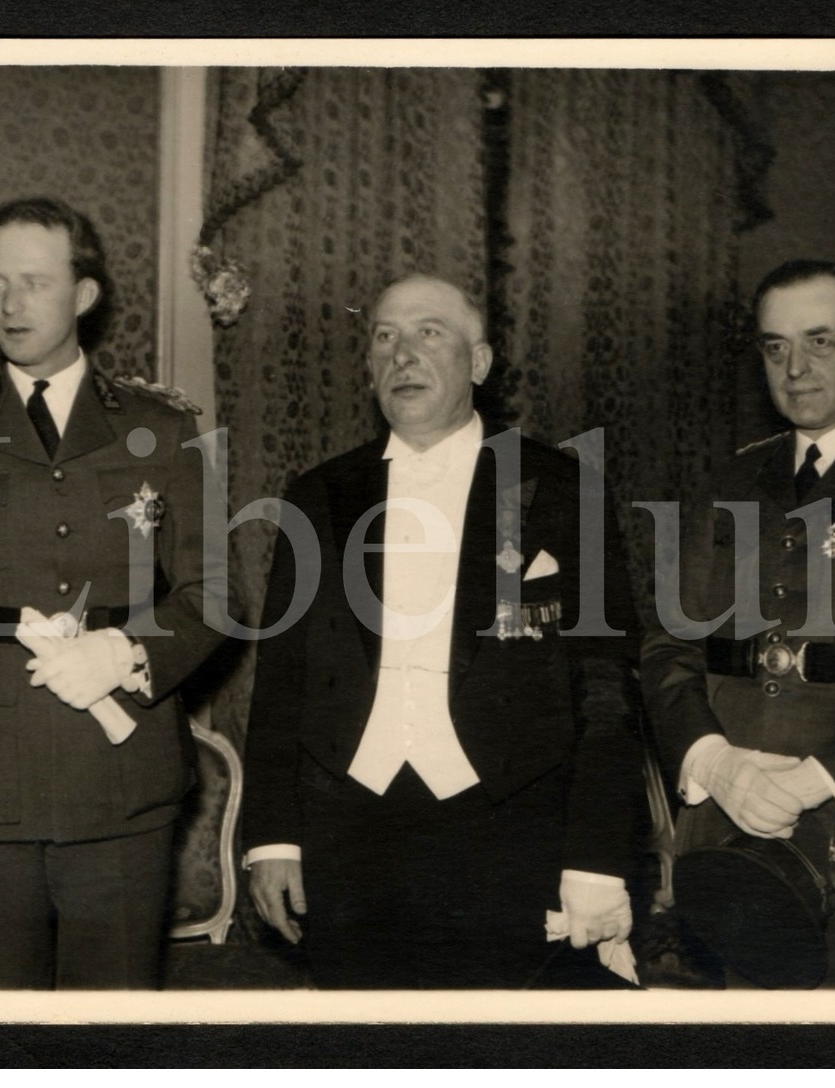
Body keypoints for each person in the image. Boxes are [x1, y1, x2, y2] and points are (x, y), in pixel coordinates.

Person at [241, 273, 644, 988]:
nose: (403, 354)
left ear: (479, 363)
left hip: (507, 829)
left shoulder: (558, 488)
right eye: (385, 337)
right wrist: (273, 836)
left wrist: (593, 857)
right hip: (347, 833)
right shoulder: (318, 495)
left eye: (429, 333)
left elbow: (605, 689)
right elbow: (281, 683)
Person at [0, 196, 231, 989]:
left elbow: (214, 595)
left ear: (84, 295)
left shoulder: (162, 428)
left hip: (121, 784)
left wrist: (126, 652)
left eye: (33, 281)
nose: (9, 304)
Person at [641, 259, 835, 987]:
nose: (795, 367)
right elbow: (667, 648)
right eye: (775, 347)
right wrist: (716, 765)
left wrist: (818, 780)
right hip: (725, 831)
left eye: (819, 341)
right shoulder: (726, 483)